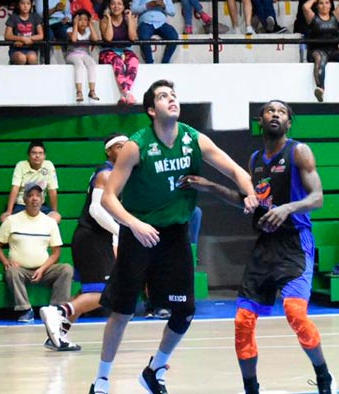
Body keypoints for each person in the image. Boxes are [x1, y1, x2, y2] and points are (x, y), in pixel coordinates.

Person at [90, 80, 258, 394]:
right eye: (163, 96)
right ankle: (101, 379)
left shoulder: (193, 139)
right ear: (151, 110)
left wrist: (249, 193)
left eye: (174, 95)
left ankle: (155, 369)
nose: (172, 100)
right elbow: (108, 198)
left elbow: (237, 171)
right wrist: (134, 225)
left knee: (185, 311)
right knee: (123, 310)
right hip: (139, 234)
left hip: (174, 234)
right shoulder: (136, 146)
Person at [216, 100, 338, 394]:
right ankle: (251, 388)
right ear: (261, 120)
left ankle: (323, 377)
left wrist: (287, 208)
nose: (276, 114)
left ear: (289, 123)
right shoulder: (255, 159)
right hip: (265, 246)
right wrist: (209, 187)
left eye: (282, 112)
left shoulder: (298, 151)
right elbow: (248, 201)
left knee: (295, 312)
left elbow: (318, 197)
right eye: (270, 111)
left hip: (295, 241)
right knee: (243, 321)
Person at [39, 135, 127, 352]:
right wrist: (120, 231)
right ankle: (58, 311)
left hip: (91, 238)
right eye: (119, 146)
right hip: (93, 238)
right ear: (108, 151)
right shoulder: (106, 174)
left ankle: (58, 335)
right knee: (105, 292)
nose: (124, 150)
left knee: (89, 291)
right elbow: (96, 210)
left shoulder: (115, 173)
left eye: (126, 146)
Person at [0, 182, 74, 323]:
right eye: (30, 195)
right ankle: (25, 310)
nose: (34, 199)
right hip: (20, 270)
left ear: (42, 200)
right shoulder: (11, 220)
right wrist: (6, 262)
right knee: (11, 272)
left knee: (66, 269)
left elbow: (56, 253)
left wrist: (42, 269)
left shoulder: (50, 222)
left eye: (38, 196)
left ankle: (57, 310)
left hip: (44, 270)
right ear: (24, 200)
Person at [1, 140, 61, 222]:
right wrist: (9, 211)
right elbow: (15, 189)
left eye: (40, 153)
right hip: (21, 205)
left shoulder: (49, 165)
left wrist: (54, 211)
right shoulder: (21, 165)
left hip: (40, 206)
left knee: (56, 217)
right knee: (5, 219)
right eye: (34, 153)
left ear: (44, 156)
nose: (37, 156)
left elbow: (52, 191)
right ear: (29, 155)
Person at [99, 0, 139, 106]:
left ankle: (125, 94)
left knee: (134, 60)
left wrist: (129, 19)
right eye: (113, 4)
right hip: (107, 51)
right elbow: (108, 38)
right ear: (109, 6)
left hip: (124, 50)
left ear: (124, 6)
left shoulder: (129, 19)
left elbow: (133, 38)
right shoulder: (104, 20)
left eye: (119, 4)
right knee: (118, 60)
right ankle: (127, 93)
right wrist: (108, 18)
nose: (116, 6)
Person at [130, 0, 178, 65]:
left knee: (174, 36)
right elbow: (133, 9)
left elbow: (172, 12)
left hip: (161, 23)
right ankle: (149, 63)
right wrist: (147, 5)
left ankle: (165, 63)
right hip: (145, 22)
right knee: (144, 37)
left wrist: (163, 6)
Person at [4, 0, 44, 65]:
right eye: (22, 3)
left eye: (28, 3)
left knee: (32, 58)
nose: (25, 6)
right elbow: (7, 35)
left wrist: (25, 40)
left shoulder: (35, 16)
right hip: (16, 49)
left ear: (31, 5)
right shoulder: (13, 17)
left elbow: (41, 35)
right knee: (21, 58)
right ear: (18, 5)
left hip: (31, 48)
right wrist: (22, 38)